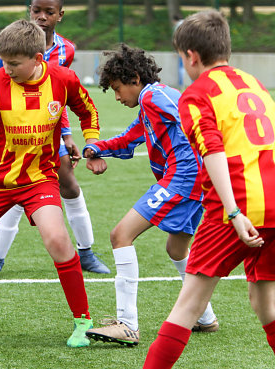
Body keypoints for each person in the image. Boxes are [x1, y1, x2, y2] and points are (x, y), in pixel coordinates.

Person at [0, 19, 102, 348]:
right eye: (3, 61)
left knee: (58, 240)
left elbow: (87, 110)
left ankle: (82, 321)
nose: (7, 69)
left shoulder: (63, 80)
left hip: (39, 178)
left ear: (38, 59)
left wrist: (92, 144)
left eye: (14, 63)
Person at [143, 10, 275, 368]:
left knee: (190, 302)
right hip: (274, 201)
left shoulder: (197, 93)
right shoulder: (253, 82)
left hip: (240, 206)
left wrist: (232, 212)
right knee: (266, 300)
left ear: (191, 56)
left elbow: (213, 152)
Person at [81, 43, 217, 347]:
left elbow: (193, 116)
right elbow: (130, 138)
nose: (117, 97)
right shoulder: (149, 104)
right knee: (176, 249)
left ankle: (127, 324)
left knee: (120, 235)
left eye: (117, 89)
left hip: (184, 177)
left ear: (134, 78)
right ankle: (205, 317)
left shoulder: (156, 96)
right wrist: (97, 148)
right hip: (194, 180)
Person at [0, 0, 110, 279]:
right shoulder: (14, 48)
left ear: (60, 16)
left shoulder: (66, 49)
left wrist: (66, 135)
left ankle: (86, 253)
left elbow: (59, 96)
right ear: (29, 12)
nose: (42, 17)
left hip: (49, 132)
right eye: (36, 11)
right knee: (17, 193)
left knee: (70, 186)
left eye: (49, 12)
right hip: (14, 133)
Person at [172, 15, 185, 88]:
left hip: (181, 49)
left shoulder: (177, 27)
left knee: (181, 67)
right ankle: (193, 83)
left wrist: (175, 50)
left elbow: (176, 39)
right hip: (190, 49)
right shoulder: (187, 24)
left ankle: (181, 84)